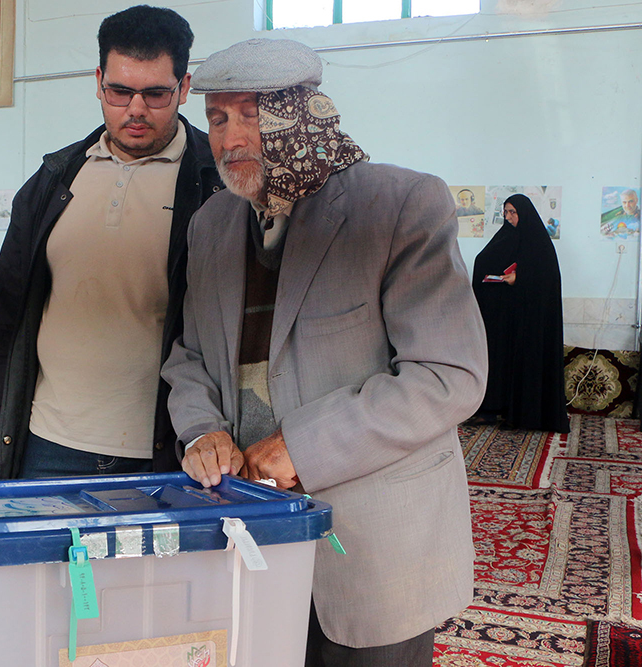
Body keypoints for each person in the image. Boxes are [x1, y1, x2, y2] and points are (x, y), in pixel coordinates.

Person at [159, 39, 488, 666]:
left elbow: (447, 375)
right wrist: (202, 430)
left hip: (373, 545)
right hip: (250, 531)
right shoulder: (212, 224)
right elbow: (189, 356)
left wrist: (300, 447)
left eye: (251, 114)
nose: (230, 139)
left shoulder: (398, 205)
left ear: (298, 113)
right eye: (217, 118)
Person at [0, 4, 223, 479]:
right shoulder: (52, 181)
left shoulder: (214, 184)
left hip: (167, 450)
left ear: (184, 87)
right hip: (46, 446)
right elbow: (9, 313)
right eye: (120, 91)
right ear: (98, 82)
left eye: (156, 93)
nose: (136, 109)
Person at [472, 194, 569, 432]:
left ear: (524, 213)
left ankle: (521, 415)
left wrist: (519, 278)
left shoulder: (539, 243)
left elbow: (546, 278)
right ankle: (490, 409)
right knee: (497, 358)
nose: (508, 217)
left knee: (524, 363)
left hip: (529, 320)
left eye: (513, 212)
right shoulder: (504, 237)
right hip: (504, 317)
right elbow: (484, 260)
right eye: (505, 212)